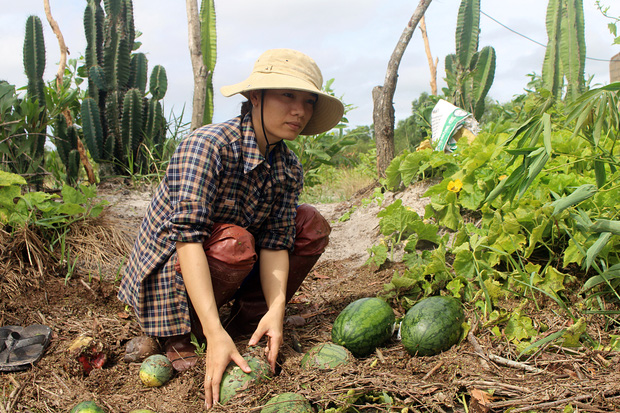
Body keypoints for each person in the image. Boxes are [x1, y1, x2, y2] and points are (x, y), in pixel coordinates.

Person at [118, 48, 344, 409]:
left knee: (309, 223)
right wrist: (211, 331)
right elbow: (188, 240)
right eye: (287, 95)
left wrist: (277, 307)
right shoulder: (207, 146)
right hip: (170, 272)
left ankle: (250, 319)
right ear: (256, 96)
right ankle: (185, 329)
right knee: (235, 242)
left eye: (308, 101)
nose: (299, 111)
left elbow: (276, 242)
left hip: (230, 255)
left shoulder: (288, 167)